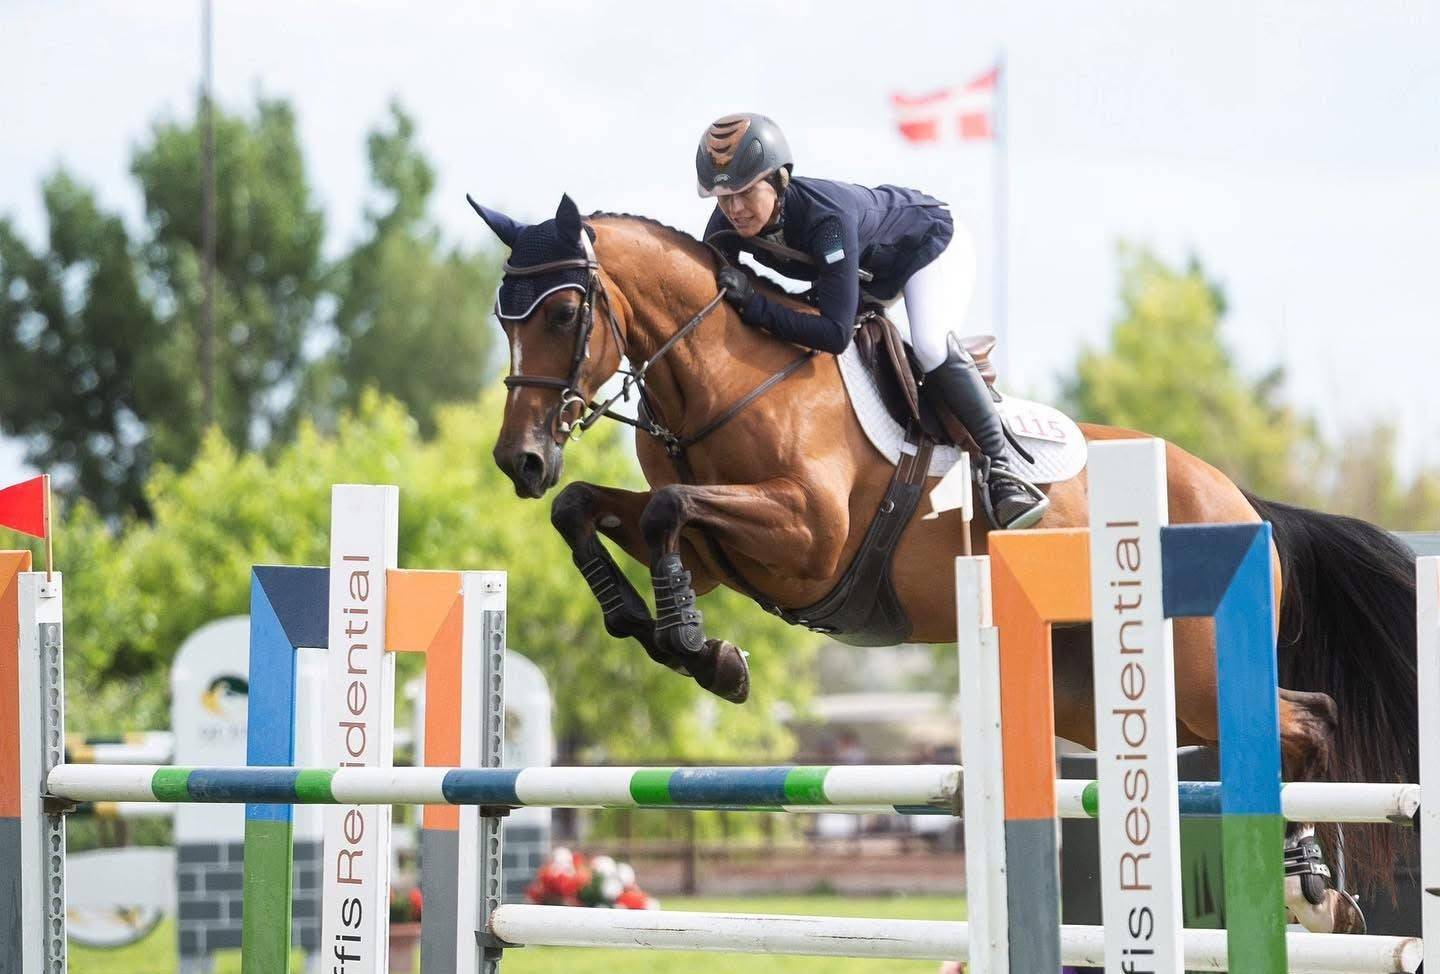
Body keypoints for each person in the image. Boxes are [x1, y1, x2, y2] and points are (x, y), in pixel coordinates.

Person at [696, 112, 1048, 530]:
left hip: (928, 247)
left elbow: (834, 333)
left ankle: (1003, 471)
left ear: (779, 180)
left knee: (931, 345)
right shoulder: (726, 223)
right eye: (723, 198)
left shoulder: (825, 220)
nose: (734, 209)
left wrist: (755, 305)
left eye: (744, 193)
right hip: (866, 273)